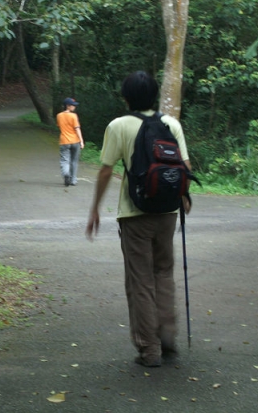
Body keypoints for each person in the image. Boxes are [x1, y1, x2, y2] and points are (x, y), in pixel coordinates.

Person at [85, 71, 192, 368]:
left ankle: (149, 349)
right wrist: (184, 197)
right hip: (168, 213)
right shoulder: (171, 123)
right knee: (164, 273)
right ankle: (167, 334)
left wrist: (95, 208)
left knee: (141, 281)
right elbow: (185, 166)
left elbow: (106, 169)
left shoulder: (119, 126)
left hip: (135, 215)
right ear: (155, 95)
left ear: (126, 97)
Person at [56, 97, 85, 186]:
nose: (74, 107)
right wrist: (81, 141)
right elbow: (77, 129)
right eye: (73, 105)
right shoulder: (74, 116)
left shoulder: (59, 116)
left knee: (65, 160)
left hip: (64, 141)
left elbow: (59, 126)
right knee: (74, 161)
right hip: (75, 141)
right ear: (67, 106)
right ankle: (73, 180)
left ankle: (66, 174)